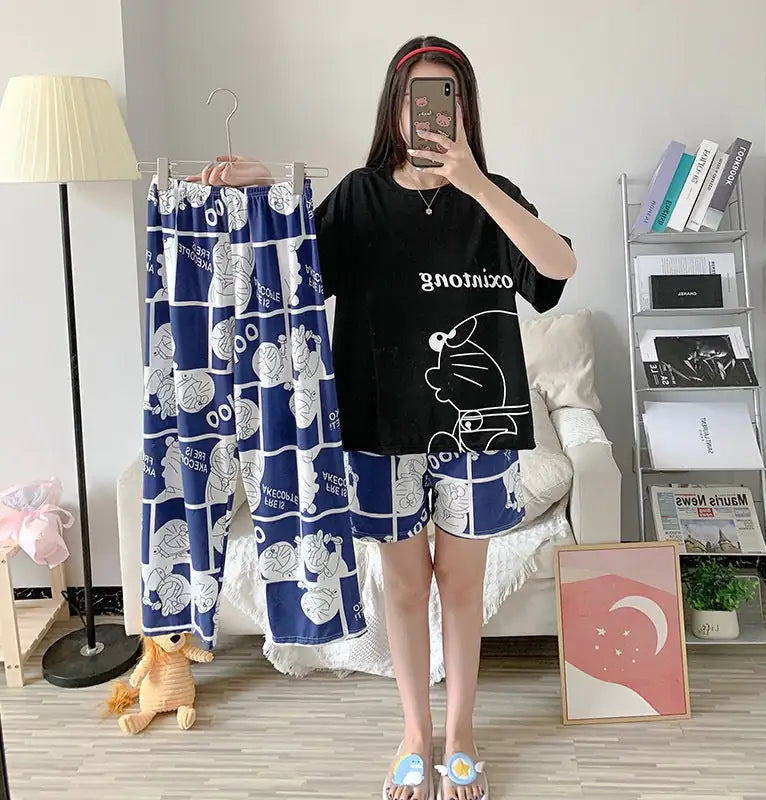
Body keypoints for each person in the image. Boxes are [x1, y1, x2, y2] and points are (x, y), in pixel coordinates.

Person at [192, 35, 575, 800]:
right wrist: (270, 191)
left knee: (460, 588)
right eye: (415, 97)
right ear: (394, 109)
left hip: (477, 431)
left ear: (463, 109)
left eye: (445, 97)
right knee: (401, 589)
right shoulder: (360, 198)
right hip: (378, 427)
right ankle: (414, 734)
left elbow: (557, 267)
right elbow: (291, 272)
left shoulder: (494, 196)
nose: (429, 113)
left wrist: (476, 185)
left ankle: (461, 734)